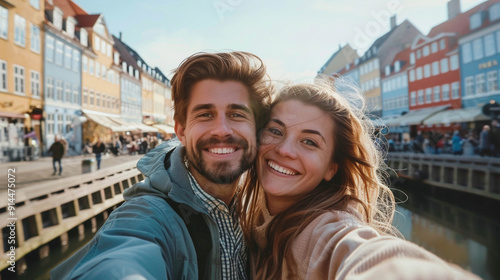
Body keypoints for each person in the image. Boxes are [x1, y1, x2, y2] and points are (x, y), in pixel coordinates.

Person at [51, 51, 273, 279]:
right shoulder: (149, 216)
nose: (221, 130)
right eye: (205, 114)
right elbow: (120, 258)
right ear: (181, 131)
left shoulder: (257, 206)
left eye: (237, 114)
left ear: (256, 130)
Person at [238, 80, 480, 279]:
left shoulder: (324, 231)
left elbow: (362, 252)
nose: (285, 150)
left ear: (331, 168)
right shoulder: (245, 216)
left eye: (309, 142)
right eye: (276, 131)